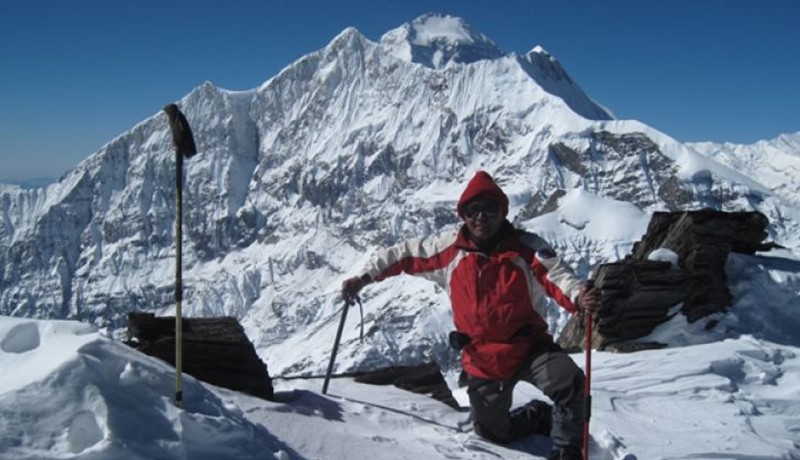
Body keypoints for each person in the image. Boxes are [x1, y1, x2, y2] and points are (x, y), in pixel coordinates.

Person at [342, 171, 599, 460]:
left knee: (570, 382)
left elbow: (555, 274)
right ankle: (537, 417)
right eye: (472, 210)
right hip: (482, 358)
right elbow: (403, 255)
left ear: (502, 212)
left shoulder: (526, 247)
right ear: (463, 215)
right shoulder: (449, 251)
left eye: (490, 209)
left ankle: (567, 451)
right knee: (492, 433)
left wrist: (578, 296)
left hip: (529, 348)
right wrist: (364, 277)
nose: (481, 217)